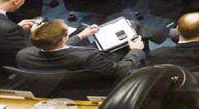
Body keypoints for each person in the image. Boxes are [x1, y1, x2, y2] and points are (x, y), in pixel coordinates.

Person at [16, 19, 146, 88]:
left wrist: (81, 35)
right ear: (63, 39)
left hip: (65, 82)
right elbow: (119, 72)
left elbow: (54, 48)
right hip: (101, 79)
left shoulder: (23, 55)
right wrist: (135, 50)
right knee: (134, 30)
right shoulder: (91, 57)